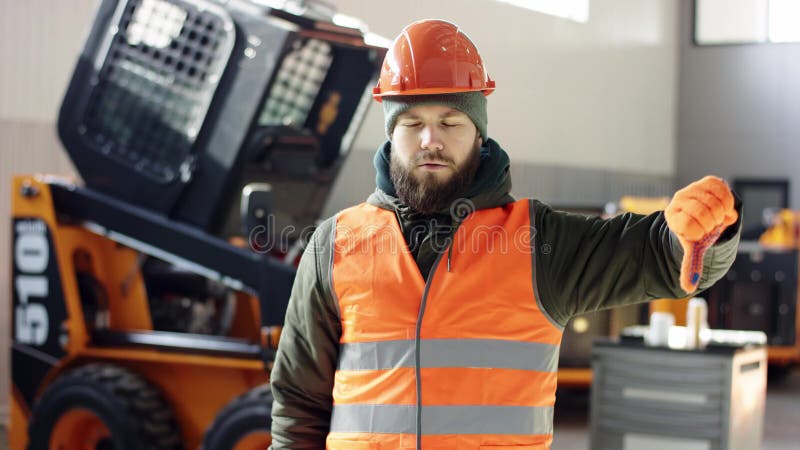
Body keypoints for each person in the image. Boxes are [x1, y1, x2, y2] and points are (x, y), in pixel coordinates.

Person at [269, 19, 741, 450]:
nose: (431, 140)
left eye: (451, 123)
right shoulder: (335, 244)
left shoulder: (540, 244)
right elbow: (298, 401)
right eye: (412, 124)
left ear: (479, 135)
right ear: (391, 135)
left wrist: (710, 229)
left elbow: (660, 255)